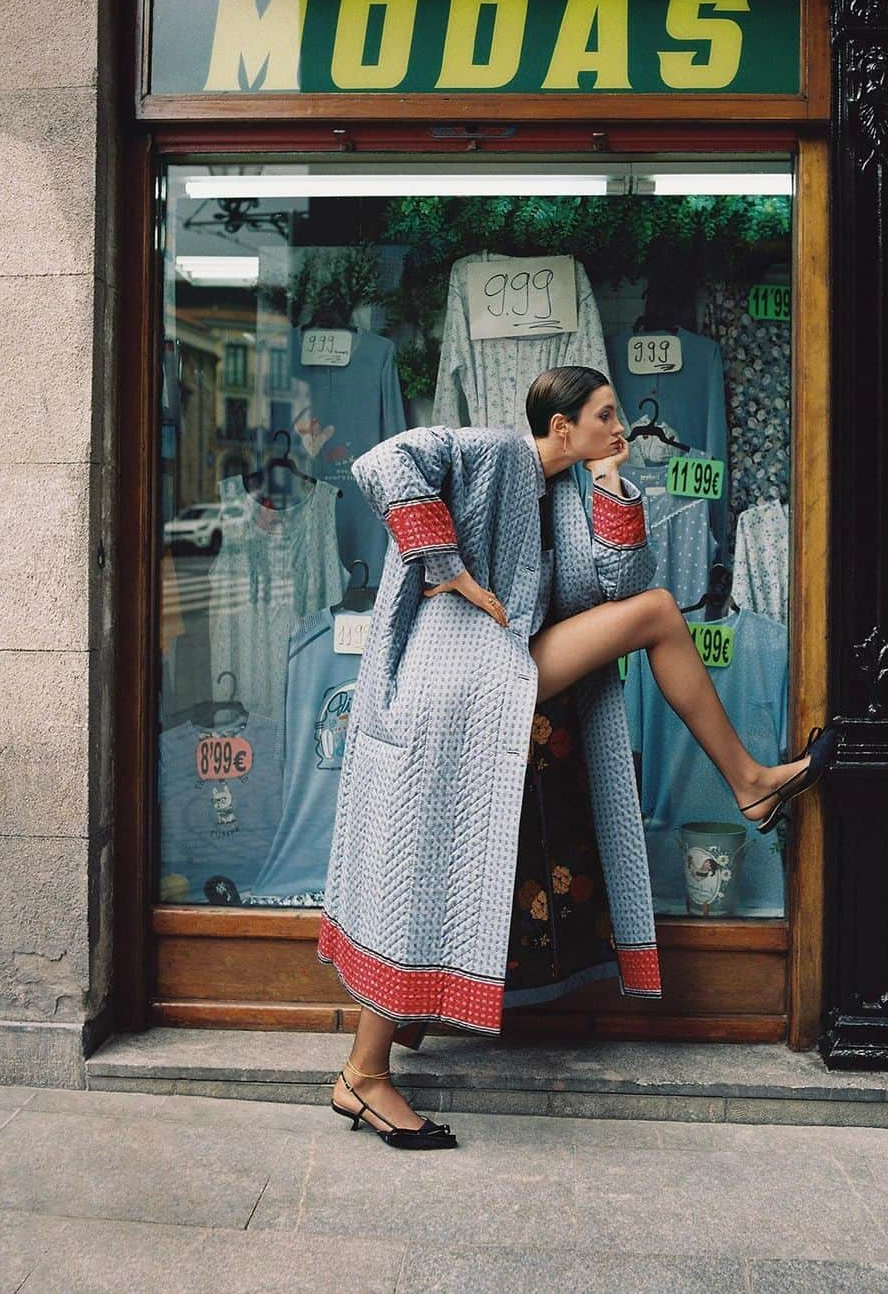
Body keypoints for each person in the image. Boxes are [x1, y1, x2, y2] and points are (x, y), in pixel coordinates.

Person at [322, 366, 839, 1149]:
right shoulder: (493, 450)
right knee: (422, 870)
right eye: (604, 417)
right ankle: (362, 1078)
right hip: (450, 681)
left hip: (503, 667)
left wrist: (614, 486)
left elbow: (620, 586)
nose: (620, 427)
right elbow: (384, 462)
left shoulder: (569, 493)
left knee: (653, 614)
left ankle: (754, 782)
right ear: (560, 425)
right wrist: (451, 569)